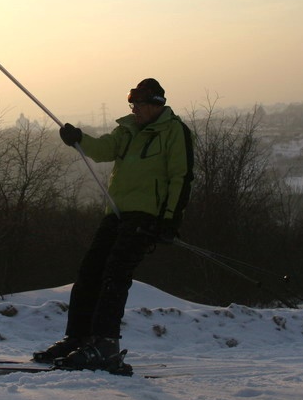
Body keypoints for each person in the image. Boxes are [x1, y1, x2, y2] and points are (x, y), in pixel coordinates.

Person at [34, 78, 194, 371]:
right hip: (117, 213)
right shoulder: (128, 130)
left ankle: (105, 344)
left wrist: (170, 220)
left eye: (139, 105)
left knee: (114, 276)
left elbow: (180, 177)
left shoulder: (174, 132)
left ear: (156, 104)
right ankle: (79, 338)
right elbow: (104, 149)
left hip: (146, 217)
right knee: (89, 273)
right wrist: (78, 138)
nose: (134, 110)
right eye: (132, 104)